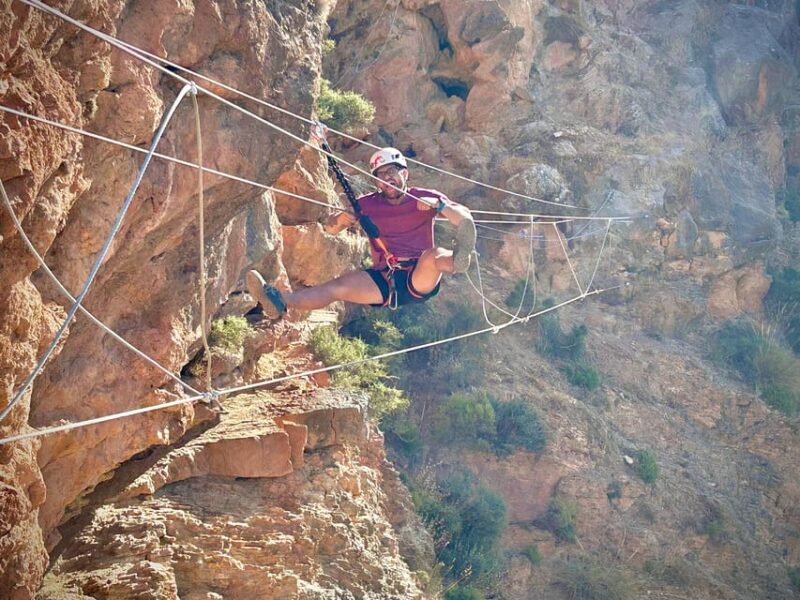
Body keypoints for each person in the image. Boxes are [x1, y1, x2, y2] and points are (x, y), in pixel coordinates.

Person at [246, 147, 476, 318]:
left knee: (432, 256)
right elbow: (330, 229)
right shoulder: (367, 204)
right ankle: (278, 301)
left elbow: (464, 216)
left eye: (392, 173)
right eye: (381, 176)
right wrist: (343, 219)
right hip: (384, 277)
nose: (387, 180)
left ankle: (457, 260)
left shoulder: (422, 197)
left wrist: (441, 206)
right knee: (336, 288)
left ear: (404, 174)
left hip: (418, 274)